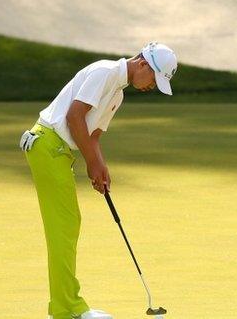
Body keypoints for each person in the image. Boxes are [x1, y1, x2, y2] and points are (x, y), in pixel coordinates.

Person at [20, 42, 178, 319]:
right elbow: (74, 117)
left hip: (59, 151)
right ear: (143, 64)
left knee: (67, 226)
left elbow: (93, 136)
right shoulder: (104, 72)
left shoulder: (118, 94)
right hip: (47, 145)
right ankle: (65, 309)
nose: (152, 86)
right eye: (154, 78)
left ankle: (65, 306)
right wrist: (91, 163)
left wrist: (100, 166)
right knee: (63, 228)